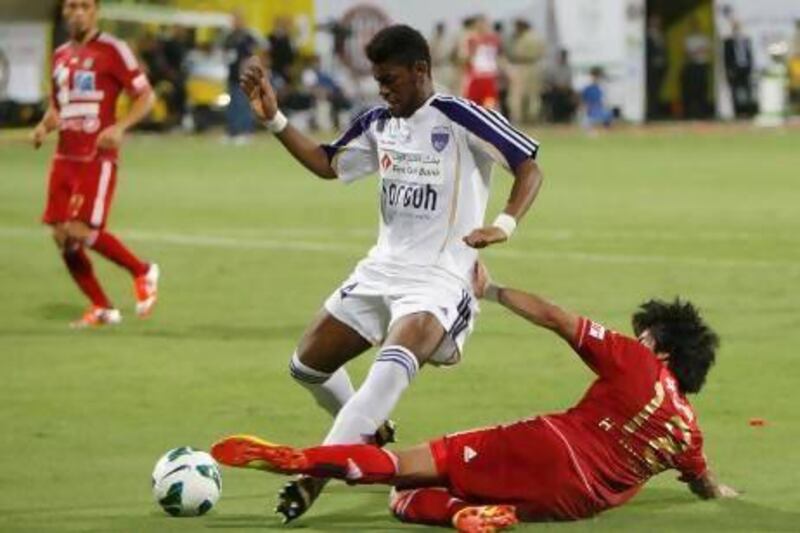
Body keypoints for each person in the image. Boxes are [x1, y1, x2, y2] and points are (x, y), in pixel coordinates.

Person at [237, 24, 543, 522]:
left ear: (421, 72)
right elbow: (327, 164)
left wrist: (504, 224)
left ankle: (312, 476)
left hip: (440, 280)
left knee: (385, 375)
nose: (383, 90)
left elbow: (528, 164)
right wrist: (274, 119)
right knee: (307, 366)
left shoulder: (461, 117)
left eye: (391, 80)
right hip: (380, 271)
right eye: (378, 80)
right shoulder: (380, 121)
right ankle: (366, 429)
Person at [212, 261, 738, 531]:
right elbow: (703, 480)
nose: (640, 339)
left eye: (649, 336)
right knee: (408, 502)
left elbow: (557, 318)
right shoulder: (686, 432)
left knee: (403, 469)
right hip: (570, 505)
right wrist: (722, 494)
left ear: (664, 353)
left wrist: (491, 290)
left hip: (547, 446)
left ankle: (305, 461)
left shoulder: (638, 361)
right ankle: (463, 512)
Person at [31, 0, 159, 328]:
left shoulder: (114, 50)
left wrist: (119, 127)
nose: (77, 12)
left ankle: (142, 270)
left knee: (80, 229)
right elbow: (59, 108)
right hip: (64, 157)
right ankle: (102, 307)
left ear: (95, 11)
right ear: (64, 12)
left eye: (84, 6)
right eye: (72, 6)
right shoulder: (60, 55)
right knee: (61, 235)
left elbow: (146, 97)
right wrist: (45, 126)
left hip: (96, 156)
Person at [223, 9, 260, 143]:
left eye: (237, 19)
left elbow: (251, 54)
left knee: (243, 103)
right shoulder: (229, 37)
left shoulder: (247, 36)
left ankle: (246, 131)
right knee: (232, 104)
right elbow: (225, 53)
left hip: (244, 75)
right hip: (231, 74)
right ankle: (232, 132)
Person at [506, 19, 544, 124]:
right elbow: (542, 52)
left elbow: (515, 54)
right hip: (535, 66)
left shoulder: (522, 38)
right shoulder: (537, 37)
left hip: (521, 66)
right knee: (533, 96)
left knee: (516, 95)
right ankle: (532, 118)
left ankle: (517, 118)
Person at [461, 15, 502, 109]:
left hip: (489, 77)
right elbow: (466, 58)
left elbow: (498, 57)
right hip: (476, 77)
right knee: (473, 105)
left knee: (489, 105)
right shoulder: (471, 40)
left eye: (484, 25)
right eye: (479, 25)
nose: (482, 28)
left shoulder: (494, 40)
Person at [682, 17, 712, 119]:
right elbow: (688, 53)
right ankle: (692, 113)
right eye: (693, 25)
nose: (696, 27)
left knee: (703, 90)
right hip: (693, 65)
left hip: (703, 65)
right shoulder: (688, 39)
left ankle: (703, 113)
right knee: (693, 90)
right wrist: (698, 51)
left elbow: (707, 50)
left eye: (697, 25)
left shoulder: (704, 38)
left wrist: (697, 51)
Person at [723, 22, 755, 118]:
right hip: (735, 69)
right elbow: (726, 57)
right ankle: (738, 113)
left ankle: (748, 112)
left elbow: (750, 55)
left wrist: (750, 68)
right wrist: (729, 70)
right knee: (735, 92)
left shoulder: (746, 40)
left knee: (747, 90)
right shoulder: (728, 41)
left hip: (745, 69)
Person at [646, 15, 668, 120]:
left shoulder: (661, 35)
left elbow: (664, 50)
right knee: (652, 90)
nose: (657, 24)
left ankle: (655, 112)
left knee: (657, 90)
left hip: (661, 66)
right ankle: (651, 113)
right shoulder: (647, 35)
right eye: (655, 22)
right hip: (651, 67)